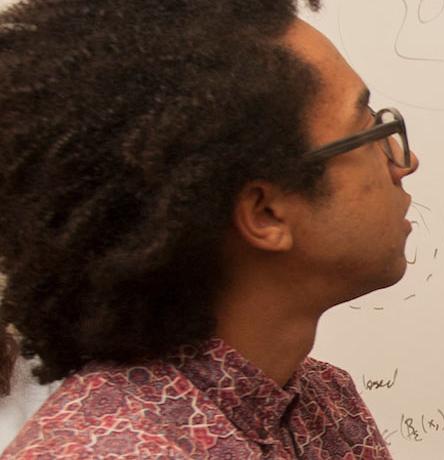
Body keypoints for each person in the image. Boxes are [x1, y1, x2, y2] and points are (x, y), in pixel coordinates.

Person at [0, 0, 421, 457]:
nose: (404, 163)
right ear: (266, 214)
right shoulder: (109, 450)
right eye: (368, 132)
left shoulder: (323, 403)